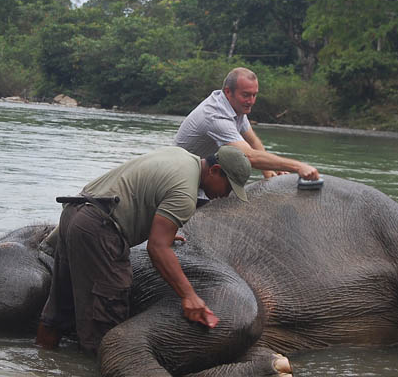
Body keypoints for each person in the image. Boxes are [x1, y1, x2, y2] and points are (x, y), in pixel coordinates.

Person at [35, 145, 251, 353]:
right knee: (107, 314)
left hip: (74, 213)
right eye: (229, 187)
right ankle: (94, 367)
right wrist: (189, 295)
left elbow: (143, 192)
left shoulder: (179, 156)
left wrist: (161, 230)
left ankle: (40, 362)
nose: (226, 195)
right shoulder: (185, 194)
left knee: (60, 306)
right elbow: (157, 249)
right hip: (98, 226)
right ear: (215, 171)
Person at [174, 67, 320, 182]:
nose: (251, 101)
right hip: (180, 176)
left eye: (254, 95)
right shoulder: (215, 115)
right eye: (246, 95)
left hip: (203, 172)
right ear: (228, 92)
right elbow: (249, 157)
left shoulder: (236, 107)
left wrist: (269, 173)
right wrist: (298, 166)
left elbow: (253, 141)